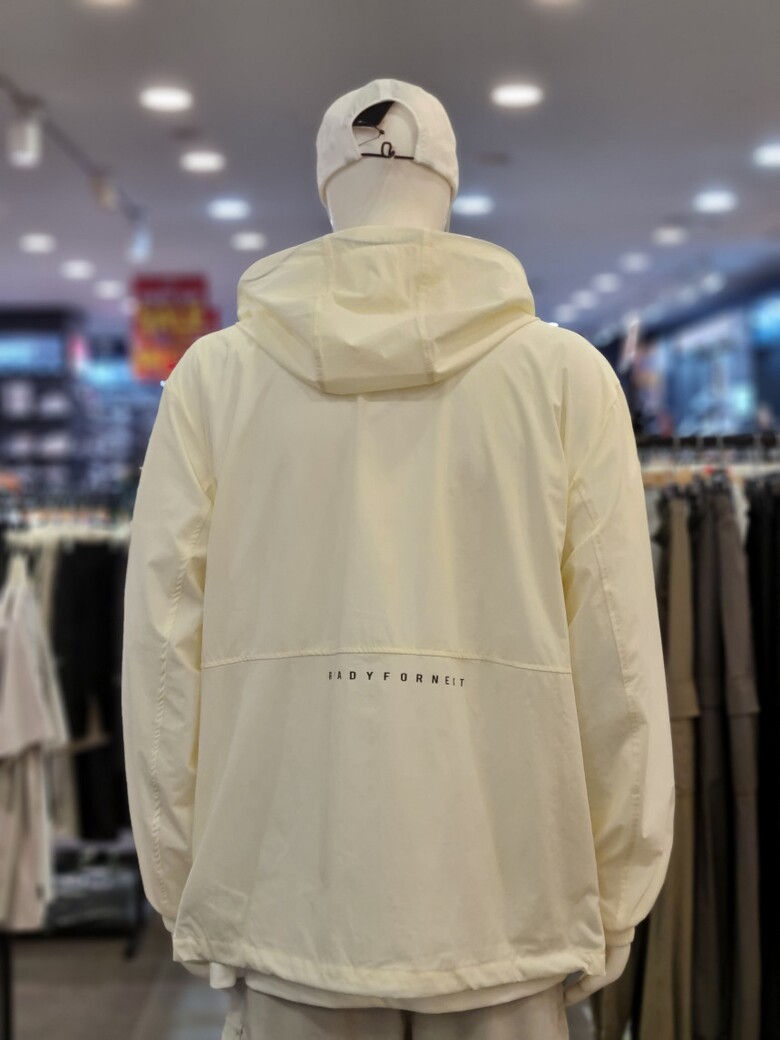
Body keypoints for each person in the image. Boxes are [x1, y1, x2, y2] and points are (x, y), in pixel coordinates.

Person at [122, 78, 675, 1039]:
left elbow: (163, 661)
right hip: (508, 905)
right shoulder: (566, 379)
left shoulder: (212, 383)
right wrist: (617, 892)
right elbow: (620, 663)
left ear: (328, 183)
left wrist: (183, 882)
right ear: (446, 184)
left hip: (281, 898)